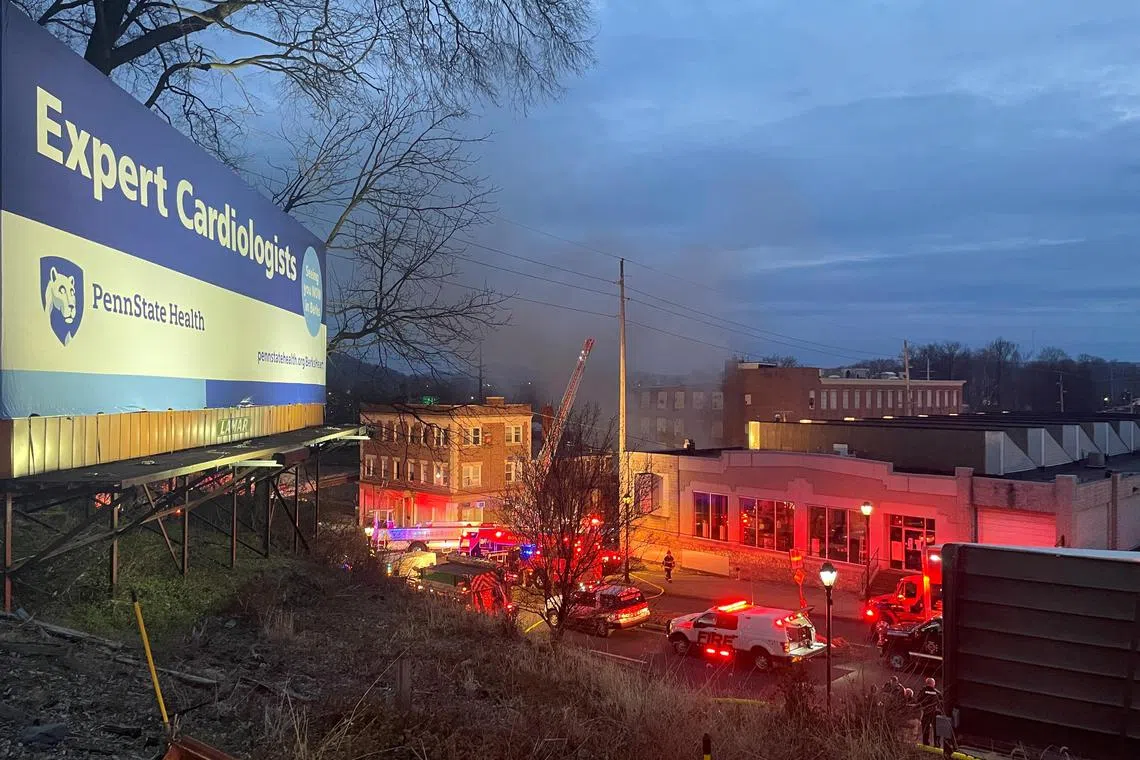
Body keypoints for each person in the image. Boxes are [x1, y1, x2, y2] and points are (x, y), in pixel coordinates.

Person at [919, 677, 943, 746]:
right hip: (935, 713)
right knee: (937, 730)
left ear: (927, 683)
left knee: (925, 729)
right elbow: (942, 705)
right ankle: (937, 744)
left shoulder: (922, 691)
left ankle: (926, 744)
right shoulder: (937, 693)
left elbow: (918, 701)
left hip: (926, 713)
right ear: (933, 684)